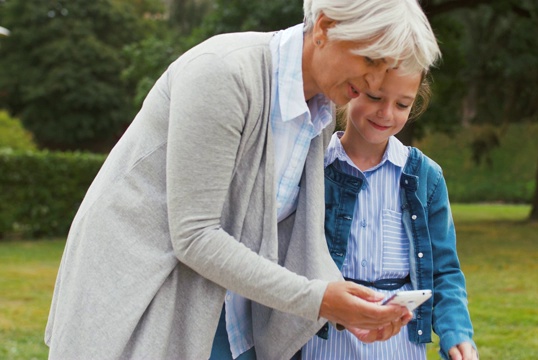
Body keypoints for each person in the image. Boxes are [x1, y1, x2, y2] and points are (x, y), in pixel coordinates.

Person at [44, 0, 441, 359]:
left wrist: (350, 306)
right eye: (370, 60)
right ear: (324, 28)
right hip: (145, 294)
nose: (374, 83)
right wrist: (319, 299)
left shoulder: (320, 110)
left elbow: (293, 233)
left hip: (227, 305)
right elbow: (195, 236)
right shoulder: (223, 73)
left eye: (384, 66)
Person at [301, 68, 479, 360]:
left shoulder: (425, 177)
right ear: (350, 89)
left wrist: (456, 332)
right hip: (324, 342)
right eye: (375, 97)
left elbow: (444, 271)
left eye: (402, 104)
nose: (386, 113)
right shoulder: (313, 167)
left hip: (400, 345)